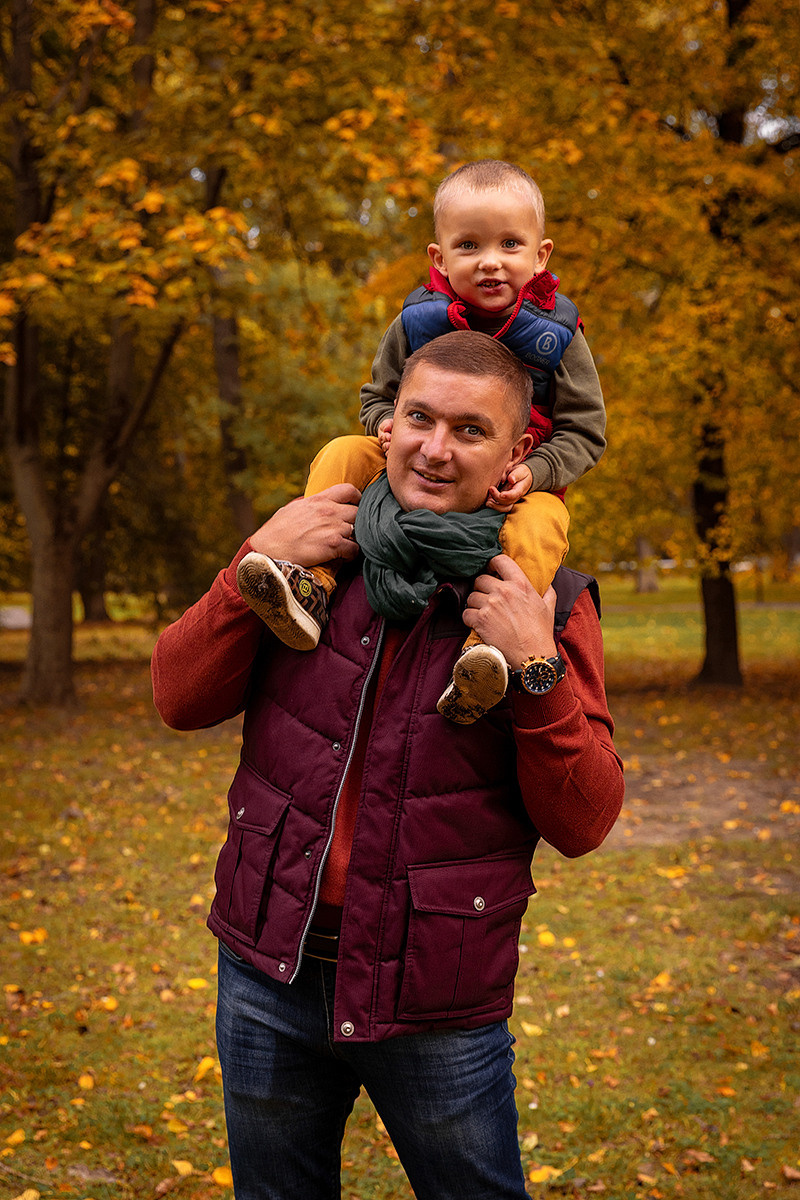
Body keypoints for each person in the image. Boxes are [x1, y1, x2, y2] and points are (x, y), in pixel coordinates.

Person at [151, 331, 624, 1200]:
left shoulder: (541, 598)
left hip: (436, 991)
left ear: (518, 453)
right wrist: (255, 553)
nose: (435, 450)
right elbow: (178, 698)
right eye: (419, 418)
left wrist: (534, 663)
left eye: (470, 431)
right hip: (268, 973)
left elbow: (585, 820)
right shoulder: (313, 556)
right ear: (388, 421)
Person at [236, 160, 606, 724]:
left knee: (542, 527)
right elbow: (375, 396)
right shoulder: (417, 321)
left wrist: (538, 472)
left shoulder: (557, 335)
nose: (490, 260)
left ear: (540, 256)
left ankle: (484, 650)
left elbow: (586, 431)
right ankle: (312, 582)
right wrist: (384, 421)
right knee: (341, 451)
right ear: (439, 258)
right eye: (469, 244)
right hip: (415, 470)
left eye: (511, 244)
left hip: (515, 482)